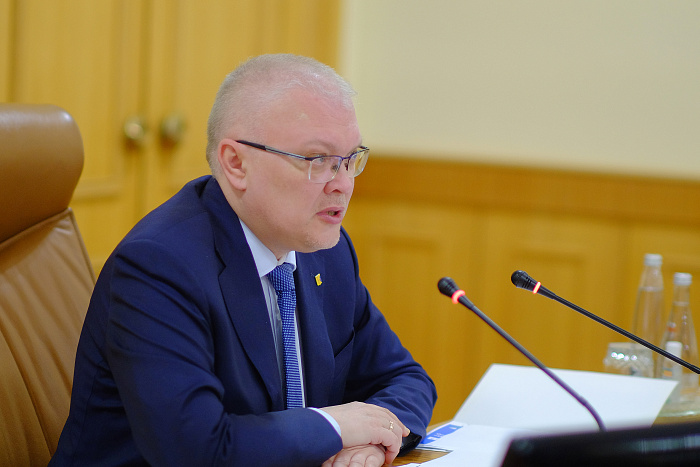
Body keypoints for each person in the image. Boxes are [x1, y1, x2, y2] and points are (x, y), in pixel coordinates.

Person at [51, 53, 436, 467]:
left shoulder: (329, 252)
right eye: (318, 160)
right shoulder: (159, 266)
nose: (342, 184)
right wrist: (333, 427)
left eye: (349, 160)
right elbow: (197, 450)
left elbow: (407, 379)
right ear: (236, 164)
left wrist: (373, 440)